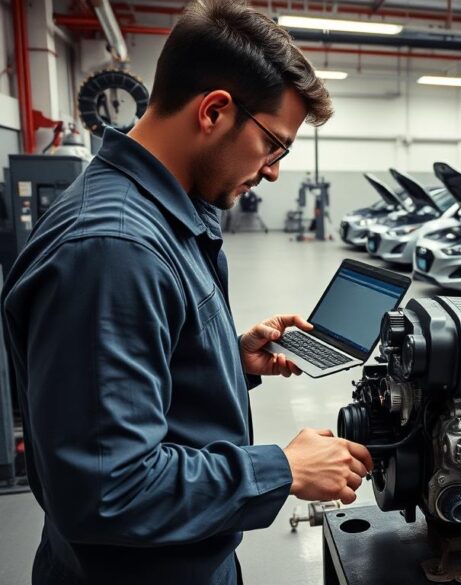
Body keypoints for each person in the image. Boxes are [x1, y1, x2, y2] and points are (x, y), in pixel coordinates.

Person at [1, 1, 373, 583]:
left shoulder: (162, 217)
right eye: (275, 144)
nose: (274, 169)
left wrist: (227, 357)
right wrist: (282, 468)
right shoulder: (115, 251)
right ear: (215, 111)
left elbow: (133, 382)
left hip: (181, 554)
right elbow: (108, 489)